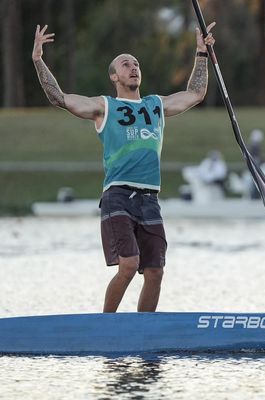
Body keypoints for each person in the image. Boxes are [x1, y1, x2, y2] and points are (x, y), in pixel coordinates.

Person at [32, 23, 216, 313]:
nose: (133, 67)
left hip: (149, 199)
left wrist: (201, 52)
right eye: (125, 64)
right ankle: (107, 325)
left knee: (155, 272)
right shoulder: (104, 106)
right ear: (114, 76)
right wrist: (38, 60)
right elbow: (60, 98)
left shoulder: (156, 105)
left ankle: (142, 331)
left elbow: (195, 93)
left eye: (136, 64)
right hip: (118, 195)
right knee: (129, 265)